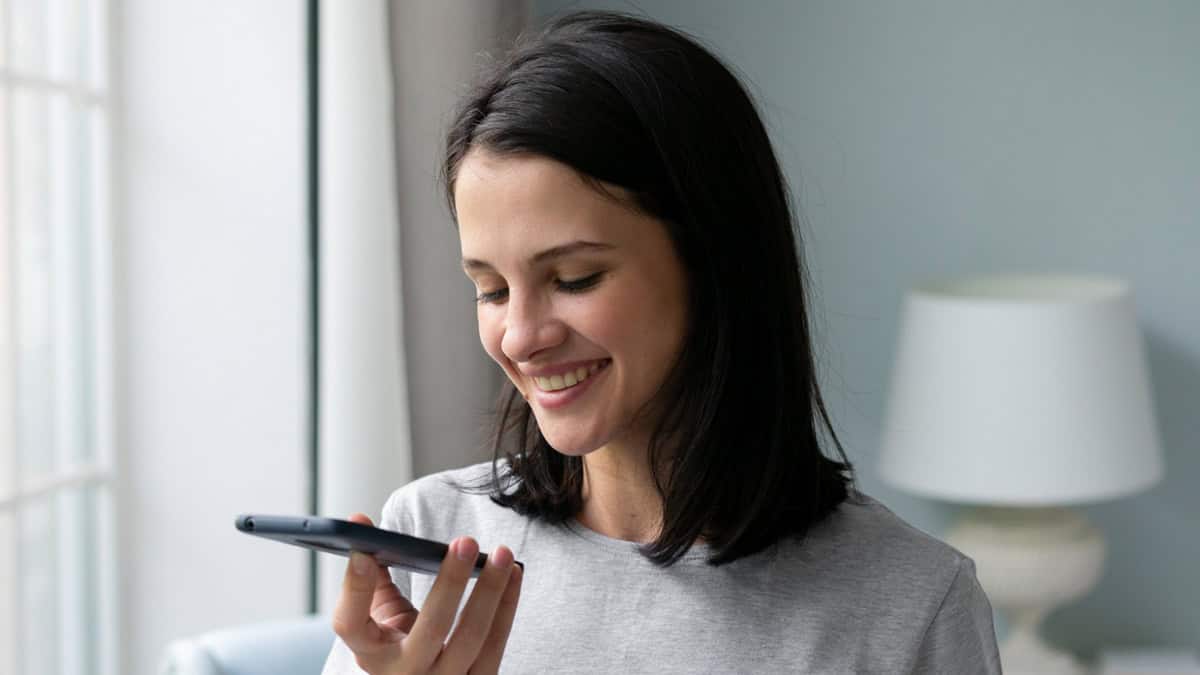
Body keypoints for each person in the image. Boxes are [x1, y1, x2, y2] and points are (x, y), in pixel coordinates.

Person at [323, 10, 1001, 675]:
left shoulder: (911, 602)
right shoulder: (430, 537)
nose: (522, 335)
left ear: (713, 259)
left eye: (574, 277)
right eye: (493, 289)